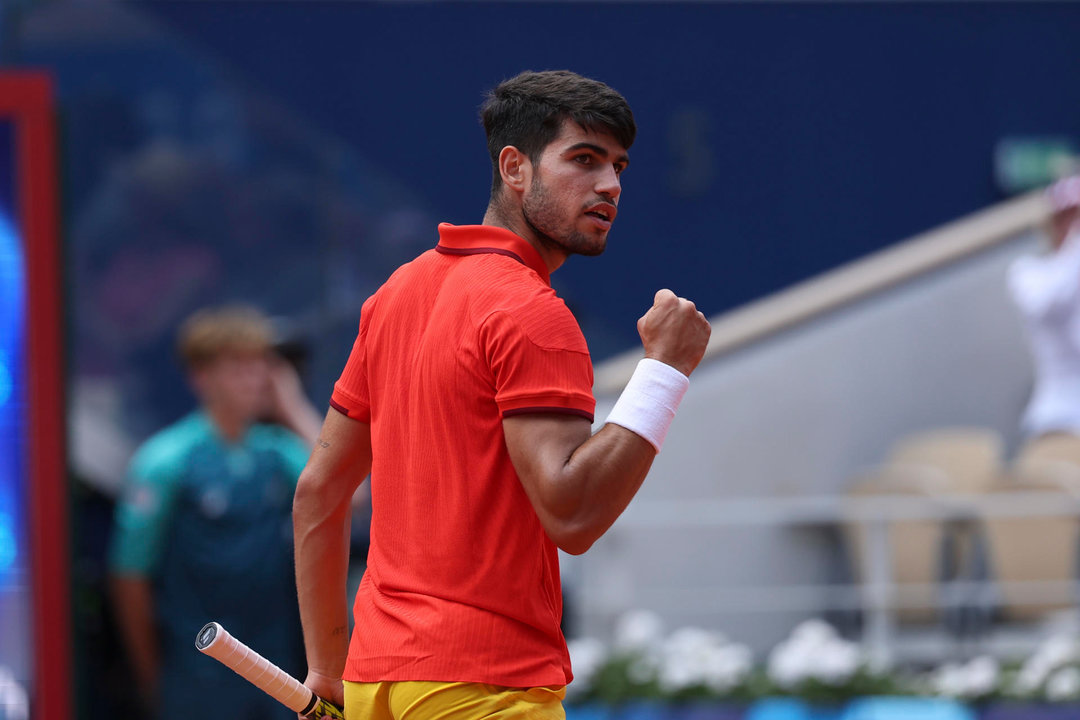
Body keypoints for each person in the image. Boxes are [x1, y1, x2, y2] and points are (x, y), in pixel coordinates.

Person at [293, 70, 712, 720]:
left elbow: (319, 490)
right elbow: (572, 515)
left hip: (378, 686)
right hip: (482, 689)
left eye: (618, 165)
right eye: (583, 159)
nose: (610, 185)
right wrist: (665, 369)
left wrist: (326, 671)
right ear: (514, 168)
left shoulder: (395, 294)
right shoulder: (532, 311)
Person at [108, 305, 322, 720]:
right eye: (239, 367)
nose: (257, 379)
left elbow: (350, 496)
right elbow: (129, 577)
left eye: (263, 366)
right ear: (201, 378)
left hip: (276, 674)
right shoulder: (166, 461)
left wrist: (291, 405)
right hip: (196, 680)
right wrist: (151, 675)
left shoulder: (276, 453)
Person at [1008, 175, 1080, 439]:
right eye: (1068, 218)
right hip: (1055, 419)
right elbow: (1048, 304)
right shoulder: (1028, 271)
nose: (1072, 227)